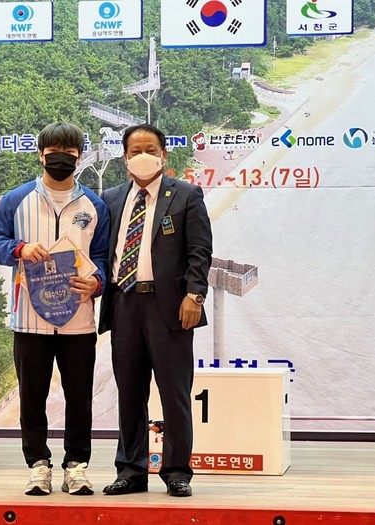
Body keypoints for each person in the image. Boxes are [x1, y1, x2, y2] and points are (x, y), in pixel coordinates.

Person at [0, 122, 110, 496]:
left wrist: (97, 282)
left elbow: (103, 257)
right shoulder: (16, 200)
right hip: (29, 320)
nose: (60, 159)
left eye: (69, 153)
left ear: (80, 157)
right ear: (40, 155)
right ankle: (38, 465)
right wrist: (18, 249)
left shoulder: (94, 206)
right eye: (53, 152)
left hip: (78, 321)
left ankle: (76, 467)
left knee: (79, 398)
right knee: (32, 398)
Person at [98, 123, 213, 497]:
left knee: (174, 393)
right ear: (125, 158)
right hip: (124, 303)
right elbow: (102, 252)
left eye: (150, 150)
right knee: (130, 393)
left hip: (171, 309)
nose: (143, 156)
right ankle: (131, 470)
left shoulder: (186, 195)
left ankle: (177, 470)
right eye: (135, 151)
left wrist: (195, 295)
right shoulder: (111, 198)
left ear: (164, 155)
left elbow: (199, 251)